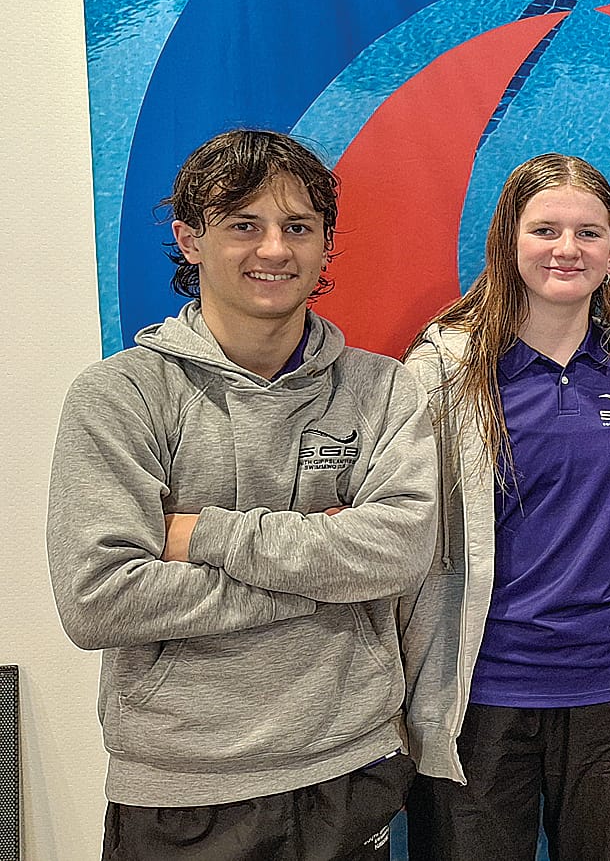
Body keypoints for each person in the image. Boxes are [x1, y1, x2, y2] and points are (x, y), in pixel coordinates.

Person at [46, 128, 436, 860]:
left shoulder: (381, 389)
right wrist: (326, 576)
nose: (273, 250)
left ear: (325, 245)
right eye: (243, 225)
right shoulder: (121, 396)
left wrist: (205, 536)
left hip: (350, 765)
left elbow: (400, 552)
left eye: (297, 227)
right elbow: (100, 598)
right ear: (189, 240)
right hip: (183, 789)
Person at [400, 154, 610, 860]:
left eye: (588, 233)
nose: (567, 248)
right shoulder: (442, 369)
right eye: (546, 228)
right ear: (508, 239)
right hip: (482, 691)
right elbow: (397, 530)